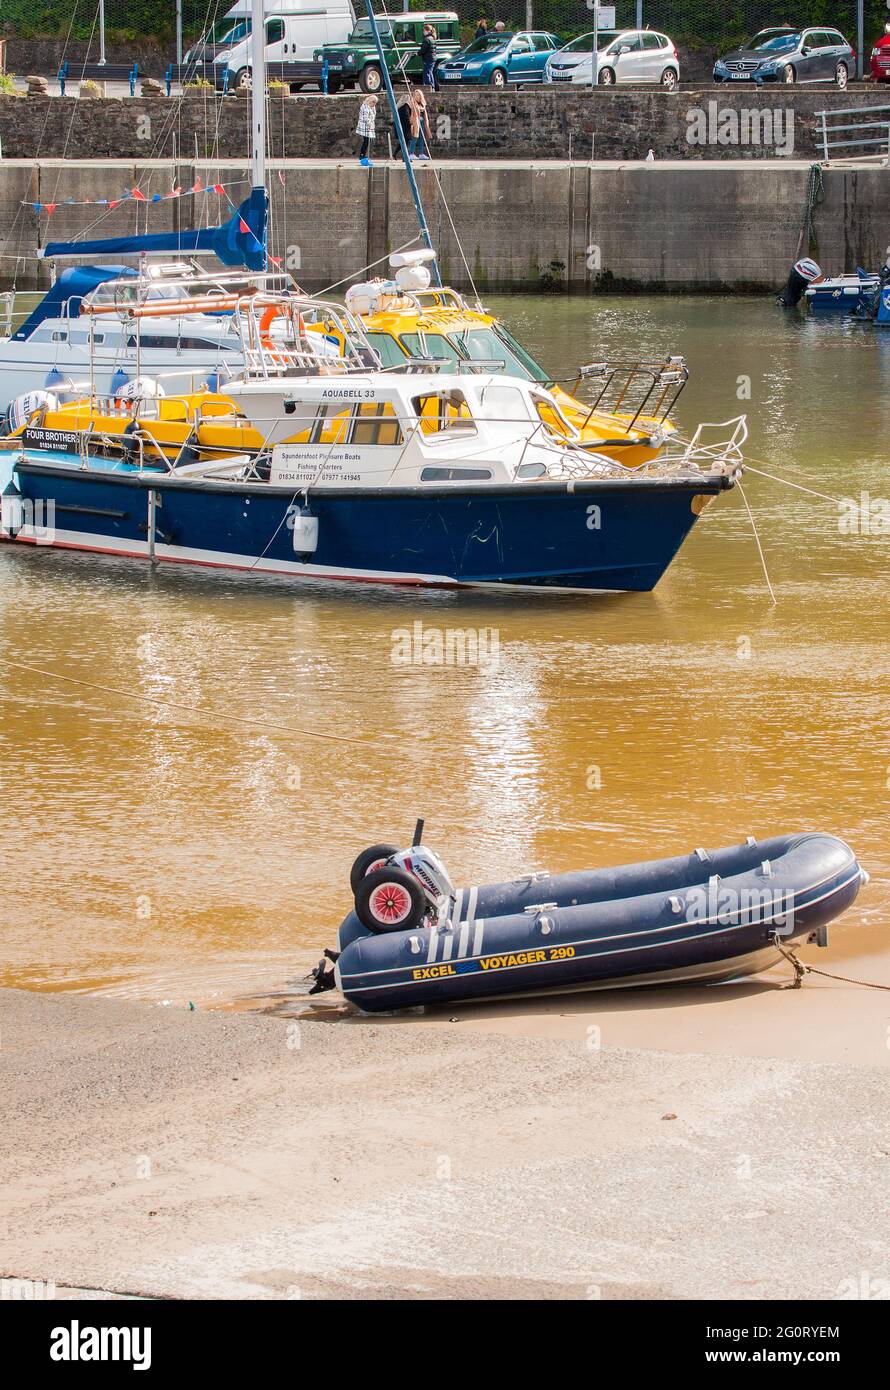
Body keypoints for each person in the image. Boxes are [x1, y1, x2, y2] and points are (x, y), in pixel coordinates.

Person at [409, 85, 432, 162]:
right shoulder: (412, 103)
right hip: (415, 122)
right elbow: (411, 113)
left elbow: (424, 113)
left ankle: (421, 153)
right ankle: (411, 153)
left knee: (422, 138)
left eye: (418, 95)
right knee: (414, 137)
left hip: (422, 122)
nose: (417, 96)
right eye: (415, 95)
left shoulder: (422, 104)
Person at [356, 94, 378, 167]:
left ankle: (363, 154)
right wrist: (370, 125)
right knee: (366, 141)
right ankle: (362, 155)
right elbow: (366, 118)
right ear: (371, 101)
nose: (375, 104)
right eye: (374, 102)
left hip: (369, 126)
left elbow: (373, 114)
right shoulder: (365, 107)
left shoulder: (371, 106)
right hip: (365, 127)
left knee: (367, 141)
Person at [420, 24, 437, 89]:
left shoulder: (426, 39)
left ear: (427, 31)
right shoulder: (433, 38)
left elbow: (423, 50)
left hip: (428, 58)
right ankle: (432, 87)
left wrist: (418, 53)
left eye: (424, 31)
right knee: (430, 72)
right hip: (433, 58)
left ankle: (428, 87)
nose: (423, 32)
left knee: (427, 73)